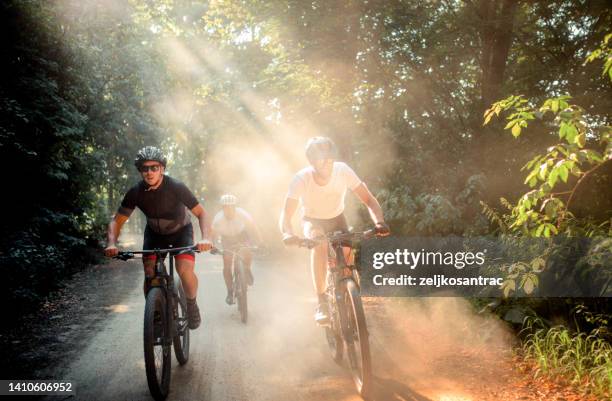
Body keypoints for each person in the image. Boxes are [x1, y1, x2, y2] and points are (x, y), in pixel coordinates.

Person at [279, 137, 390, 324]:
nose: (327, 164)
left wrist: (379, 222)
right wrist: (287, 233)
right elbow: (286, 215)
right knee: (319, 245)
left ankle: (350, 296)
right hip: (313, 220)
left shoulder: (343, 171)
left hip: (337, 218)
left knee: (347, 256)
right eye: (322, 160)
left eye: (330, 159)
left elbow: (369, 200)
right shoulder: (301, 179)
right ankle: (321, 301)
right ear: (312, 162)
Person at [104, 146, 212, 330]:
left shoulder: (176, 187)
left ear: (162, 168)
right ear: (140, 171)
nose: (149, 172)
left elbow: (202, 213)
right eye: (145, 168)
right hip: (154, 234)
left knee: (184, 270)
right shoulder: (136, 192)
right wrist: (111, 243)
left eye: (154, 167)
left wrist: (206, 238)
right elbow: (117, 221)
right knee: (149, 272)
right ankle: (155, 313)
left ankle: (192, 304)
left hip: (181, 232)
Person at [211, 194, 263, 305]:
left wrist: (260, 242)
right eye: (226, 207)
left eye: (231, 207)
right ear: (222, 208)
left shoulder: (242, 214)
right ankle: (230, 292)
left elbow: (253, 227)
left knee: (247, 251)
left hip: (241, 235)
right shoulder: (218, 218)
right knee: (227, 262)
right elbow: (213, 234)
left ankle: (247, 269)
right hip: (226, 239)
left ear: (235, 207)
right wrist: (213, 245)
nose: (229, 210)